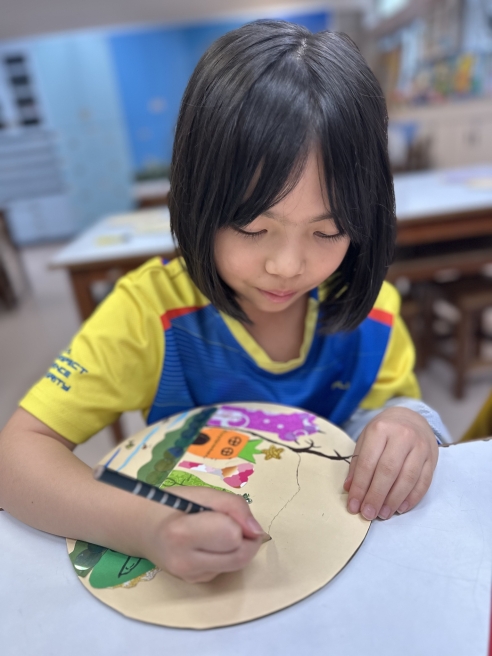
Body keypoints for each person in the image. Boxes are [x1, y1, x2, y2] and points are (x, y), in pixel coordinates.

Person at [0, 20, 448, 584]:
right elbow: (16, 458)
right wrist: (146, 524)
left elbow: (392, 408)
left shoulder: (373, 312)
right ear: (195, 200)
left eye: (328, 231)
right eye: (252, 228)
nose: (287, 266)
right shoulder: (148, 315)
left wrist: (410, 423)